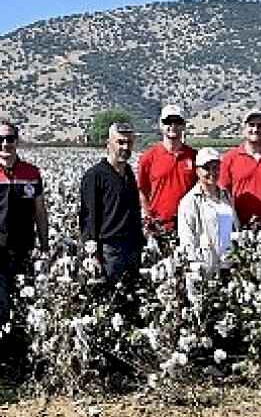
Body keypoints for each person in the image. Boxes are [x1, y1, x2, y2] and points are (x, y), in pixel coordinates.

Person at [0, 122, 50, 340]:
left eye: (10, 138)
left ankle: (28, 355)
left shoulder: (32, 173)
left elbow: (40, 212)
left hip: (26, 251)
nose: (5, 143)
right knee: (0, 307)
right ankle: (5, 358)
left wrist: (44, 248)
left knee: (29, 305)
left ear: (17, 140)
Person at [80, 122, 145, 283]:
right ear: (108, 144)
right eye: (120, 142)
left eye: (129, 143)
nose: (125, 147)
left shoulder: (128, 173)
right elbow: (89, 216)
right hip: (110, 251)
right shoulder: (95, 175)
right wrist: (92, 255)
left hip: (132, 249)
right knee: (112, 300)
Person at [137, 104, 197, 240]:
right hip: (158, 227)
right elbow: (143, 191)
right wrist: (148, 218)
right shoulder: (148, 157)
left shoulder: (194, 157)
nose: (173, 126)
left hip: (189, 226)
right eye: (168, 122)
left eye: (177, 122)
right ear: (161, 125)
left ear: (183, 125)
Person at [177, 148, 235, 276]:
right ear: (197, 171)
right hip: (205, 266)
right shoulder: (190, 201)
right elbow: (187, 238)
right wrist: (195, 266)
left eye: (215, 167)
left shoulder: (226, 196)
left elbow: (234, 226)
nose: (212, 172)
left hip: (229, 264)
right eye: (206, 168)